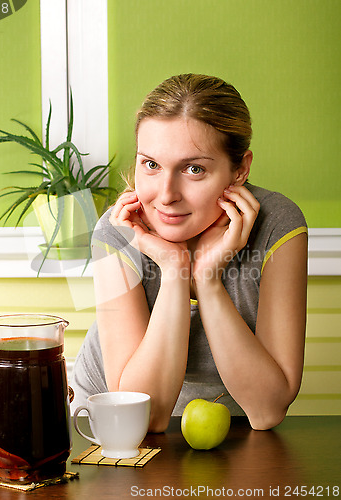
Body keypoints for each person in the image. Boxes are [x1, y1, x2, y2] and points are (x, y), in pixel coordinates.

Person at [70, 73, 308, 432]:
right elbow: (145, 417)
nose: (166, 194)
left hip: (229, 431)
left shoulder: (278, 225)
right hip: (106, 425)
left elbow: (267, 410)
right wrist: (174, 267)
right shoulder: (117, 230)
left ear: (240, 169)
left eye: (193, 169)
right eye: (151, 164)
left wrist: (207, 279)